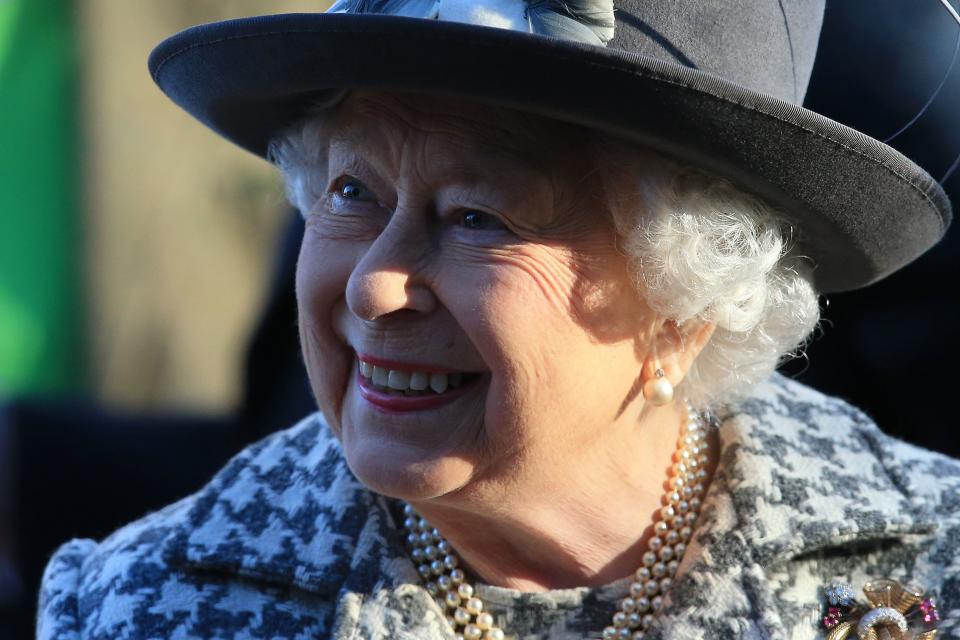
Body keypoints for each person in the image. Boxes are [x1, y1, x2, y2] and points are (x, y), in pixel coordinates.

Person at [36, 1, 960, 639]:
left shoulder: (930, 568)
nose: (374, 287)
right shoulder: (146, 604)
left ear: (688, 302)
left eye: (478, 217)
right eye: (353, 191)